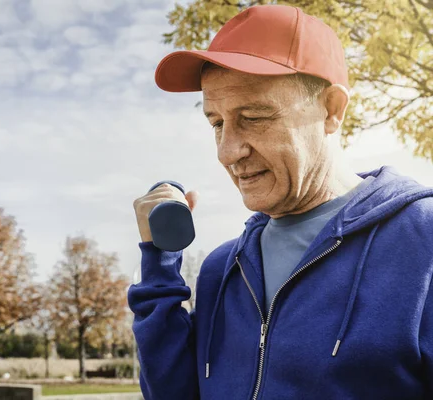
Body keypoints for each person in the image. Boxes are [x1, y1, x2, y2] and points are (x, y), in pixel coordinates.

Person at [128, 4, 433, 399]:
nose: (227, 152)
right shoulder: (222, 269)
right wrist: (159, 262)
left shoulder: (423, 241)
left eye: (253, 117)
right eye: (217, 123)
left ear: (331, 110)